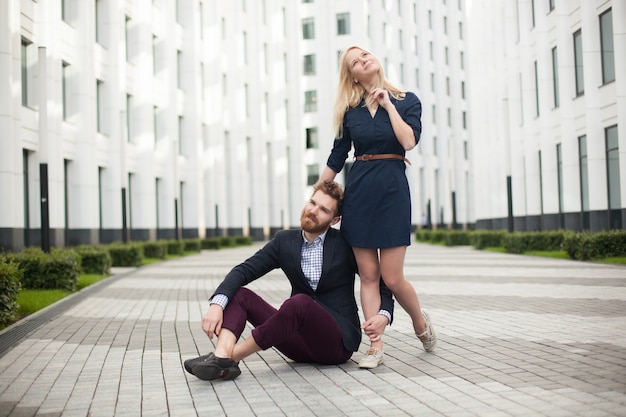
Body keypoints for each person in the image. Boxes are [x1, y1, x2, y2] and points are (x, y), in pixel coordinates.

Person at [184, 180, 394, 381]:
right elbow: (244, 270)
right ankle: (221, 354)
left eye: (323, 209)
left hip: (336, 343)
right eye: (312, 203)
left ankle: (231, 357)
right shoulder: (284, 241)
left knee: (300, 302)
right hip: (297, 343)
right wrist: (216, 305)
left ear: (334, 220)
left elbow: (381, 281)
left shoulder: (346, 244)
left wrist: (384, 314)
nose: (313, 210)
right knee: (239, 294)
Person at [320, 45, 437, 369]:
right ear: (353, 75)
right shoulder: (350, 111)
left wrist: (387, 105)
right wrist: (319, 194)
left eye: (365, 55)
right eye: (355, 61)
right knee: (369, 275)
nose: (363, 60)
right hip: (359, 192)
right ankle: (376, 346)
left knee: (393, 277)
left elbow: (409, 141)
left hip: (392, 190)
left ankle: (419, 322)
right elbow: (337, 155)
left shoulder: (407, 101)